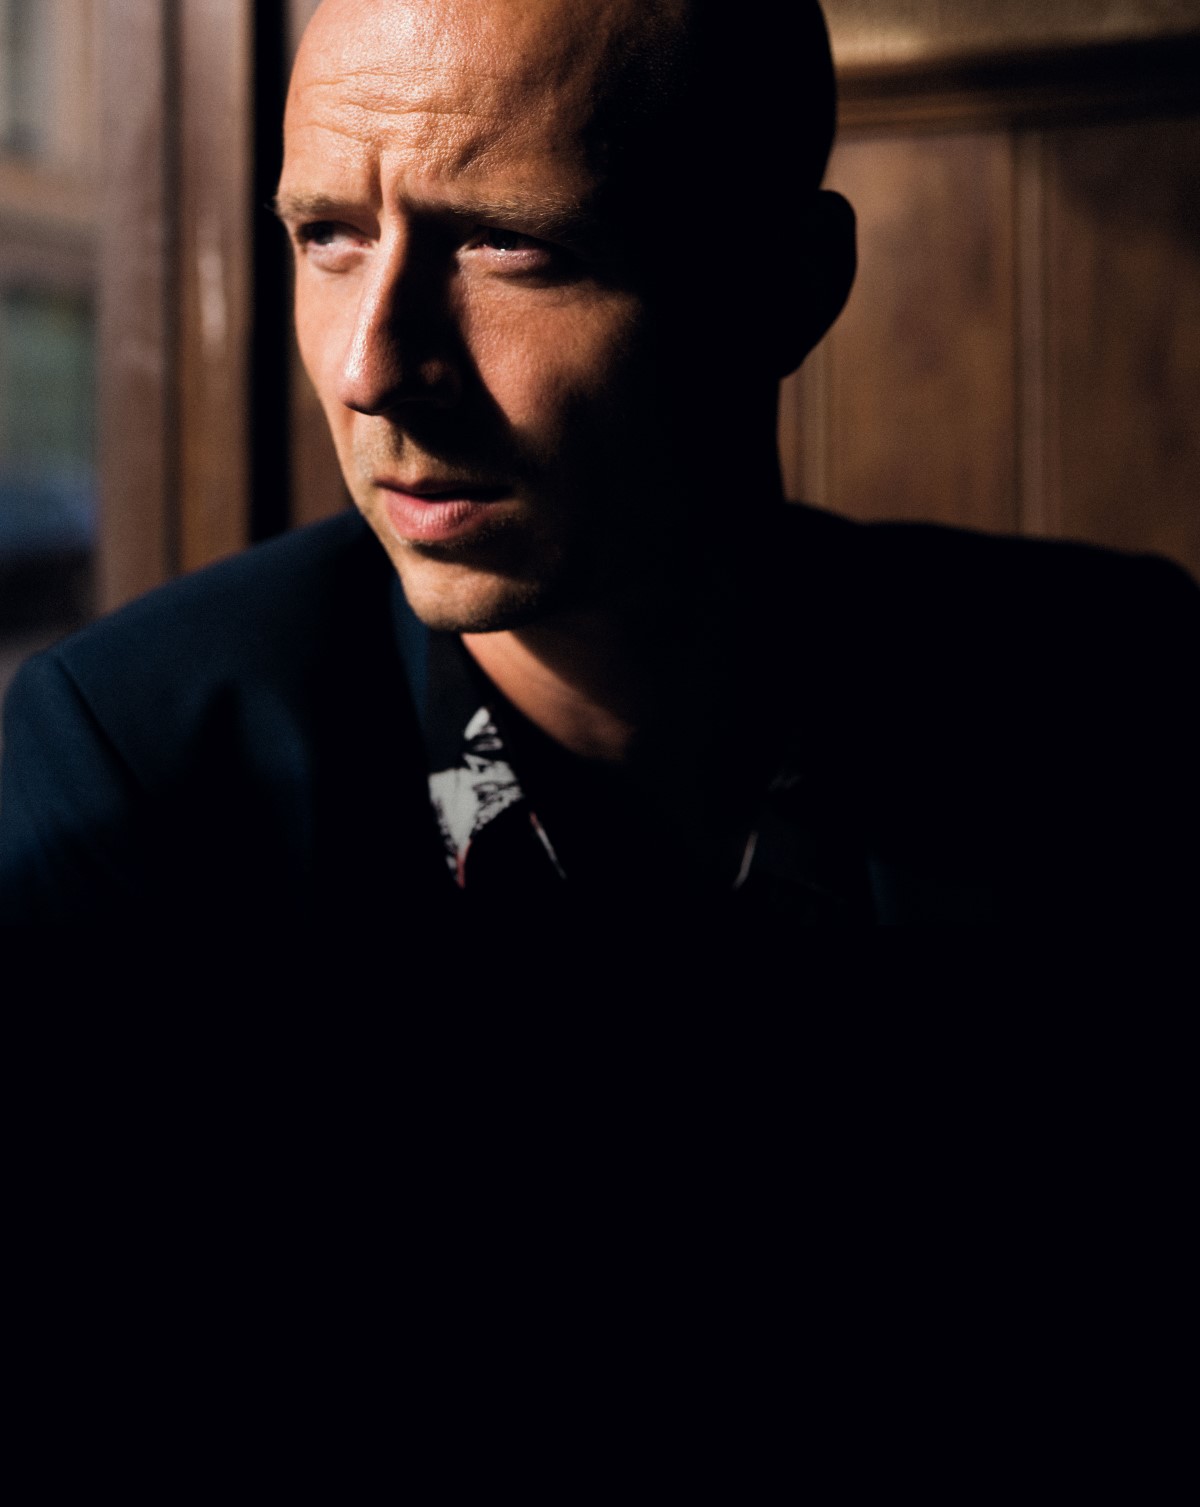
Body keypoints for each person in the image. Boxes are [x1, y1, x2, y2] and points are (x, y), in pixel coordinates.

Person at [1, 0, 1197, 926]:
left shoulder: (1110, 690)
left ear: (789, 289)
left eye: (506, 243)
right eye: (329, 236)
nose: (371, 369)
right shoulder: (142, 778)